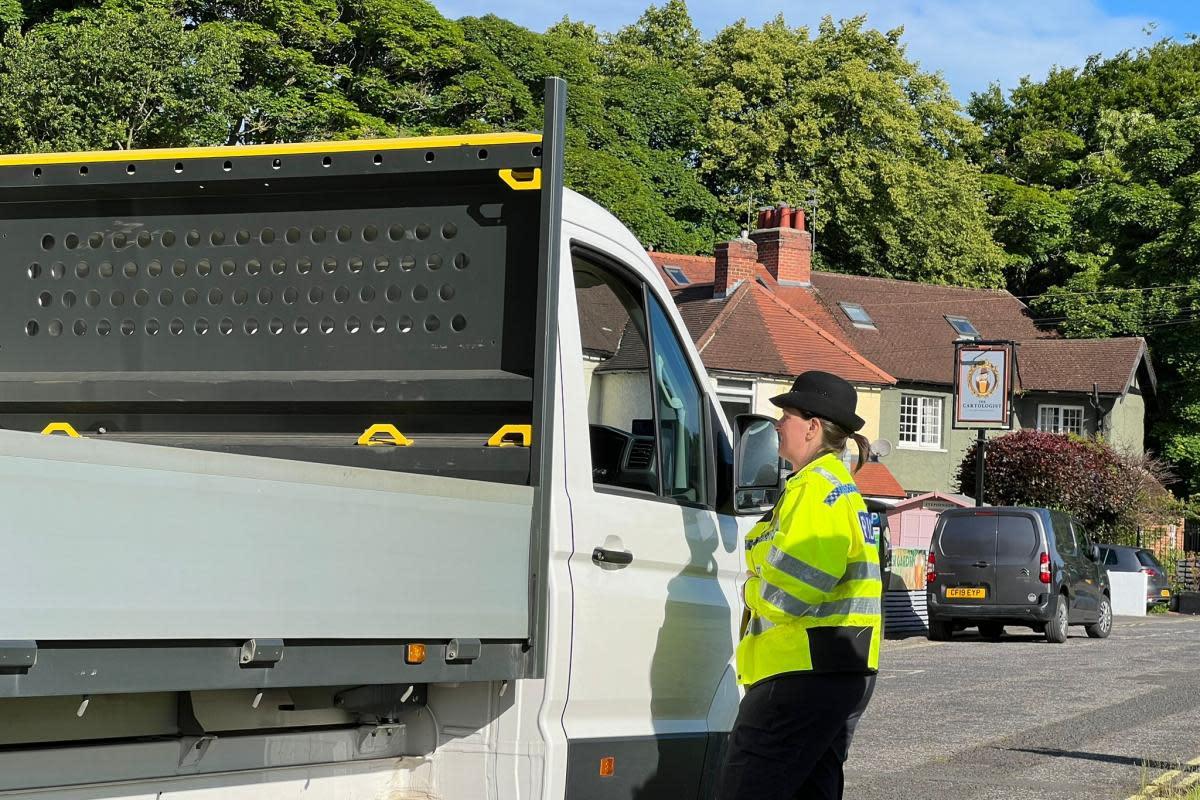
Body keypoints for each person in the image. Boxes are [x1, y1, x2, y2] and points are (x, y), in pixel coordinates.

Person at [718, 370, 884, 800]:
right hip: (835, 669)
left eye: (786, 416)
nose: (776, 426)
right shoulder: (837, 488)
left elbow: (787, 596)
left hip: (799, 676)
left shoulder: (814, 490)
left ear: (812, 427)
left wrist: (750, 588)